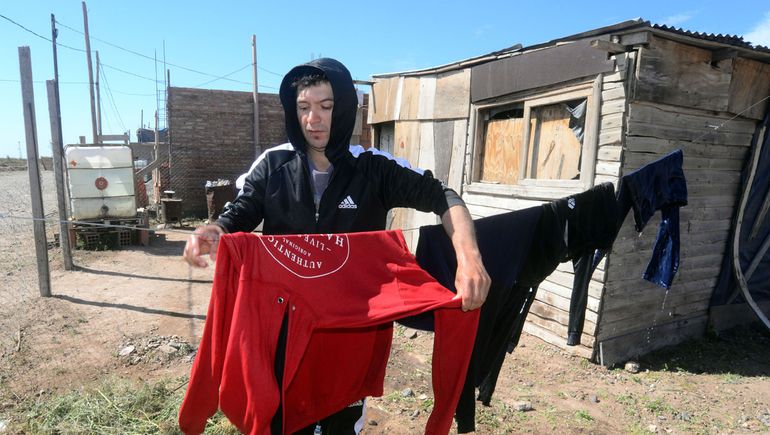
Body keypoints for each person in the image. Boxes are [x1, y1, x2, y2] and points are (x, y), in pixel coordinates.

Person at [182, 57, 490, 434]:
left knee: (341, 424)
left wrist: (469, 259)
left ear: (343, 108)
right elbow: (239, 214)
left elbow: (443, 197)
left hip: (351, 331)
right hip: (284, 327)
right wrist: (215, 231)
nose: (314, 119)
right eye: (304, 108)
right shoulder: (272, 165)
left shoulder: (374, 167)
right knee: (279, 421)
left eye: (326, 107)